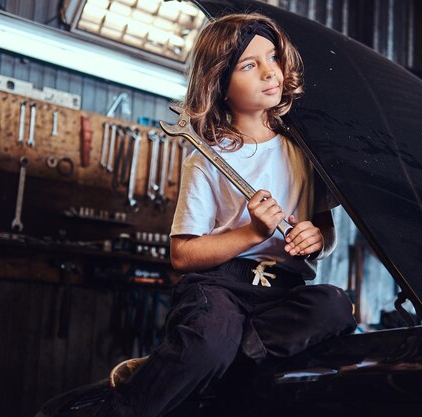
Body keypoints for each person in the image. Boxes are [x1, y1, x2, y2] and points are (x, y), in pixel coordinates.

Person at [99, 12, 356, 417]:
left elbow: (325, 226)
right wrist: (251, 234)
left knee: (336, 307)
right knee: (211, 336)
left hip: (283, 292)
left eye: (273, 58)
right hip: (221, 286)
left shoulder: (307, 154)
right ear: (220, 83)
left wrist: (319, 240)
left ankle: (183, 366)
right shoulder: (207, 158)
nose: (271, 73)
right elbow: (183, 255)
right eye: (250, 66)